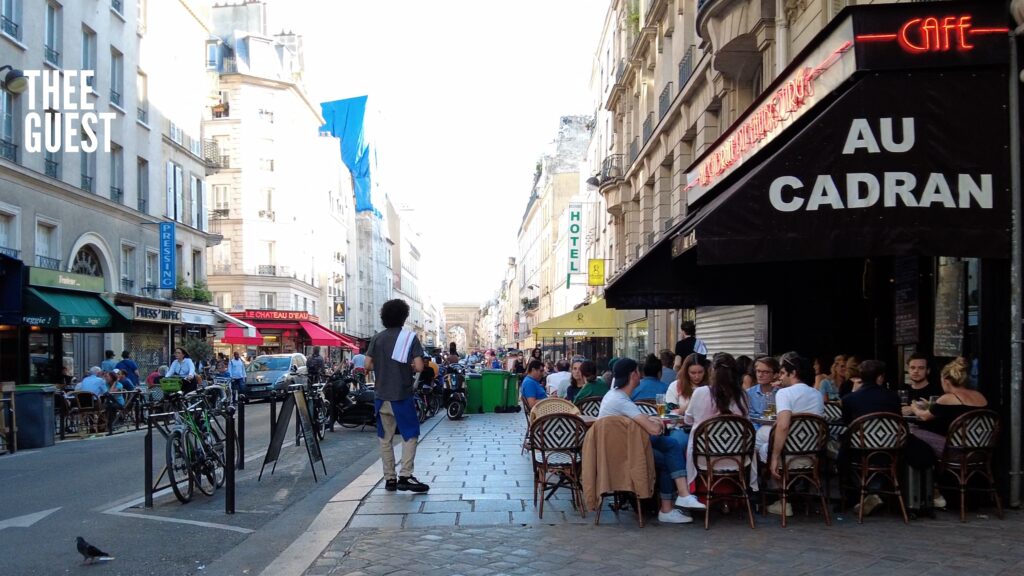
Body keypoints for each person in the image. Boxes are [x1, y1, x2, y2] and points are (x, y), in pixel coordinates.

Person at [598, 357, 705, 524]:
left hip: (622, 446)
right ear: (634, 375)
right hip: (625, 452)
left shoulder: (615, 396)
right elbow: (654, 430)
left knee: (671, 444)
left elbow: (640, 420)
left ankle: (683, 495)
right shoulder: (621, 401)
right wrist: (657, 423)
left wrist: (651, 419)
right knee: (667, 459)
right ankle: (668, 508)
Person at [366, 299, 429, 493]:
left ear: (384, 317)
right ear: (404, 316)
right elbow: (419, 367)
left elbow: (367, 365)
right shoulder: (409, 338)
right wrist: (407, 366)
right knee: (410, 435)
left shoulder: (377, 338)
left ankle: (389, 479)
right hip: (401, 395)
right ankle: (406, 475)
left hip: (381, 396)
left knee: (385, 438)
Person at [759, 352, 825, 517]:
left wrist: (774, 457)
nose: (780, 377)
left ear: (793, 373)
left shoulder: (784, 393)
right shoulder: (816, 394)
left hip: (787, 456)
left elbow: (783, 426)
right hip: (811, 454)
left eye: (782, 373)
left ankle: (782, 499)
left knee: (761, 447)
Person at [839, 359, 901, 516]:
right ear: (880, 377)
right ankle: (876, 492)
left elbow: (847, 423)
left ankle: (854, 495)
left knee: (840, 452)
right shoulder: (894, 397)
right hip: (891, 448)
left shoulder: (849, 399)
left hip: (860, 450)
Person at [684, 353, 753, 489]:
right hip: (738, 457)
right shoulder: (743, 396)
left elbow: (688, 419)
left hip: (705, 457)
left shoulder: (700, 392)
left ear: (712, 371)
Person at [746, 356, 780, 424]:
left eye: (765, 372)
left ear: (775, 375)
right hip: (753, 430)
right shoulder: (748, 393)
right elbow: (749, 416)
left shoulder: (781, 393)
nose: (760, 375)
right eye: (758, 371)